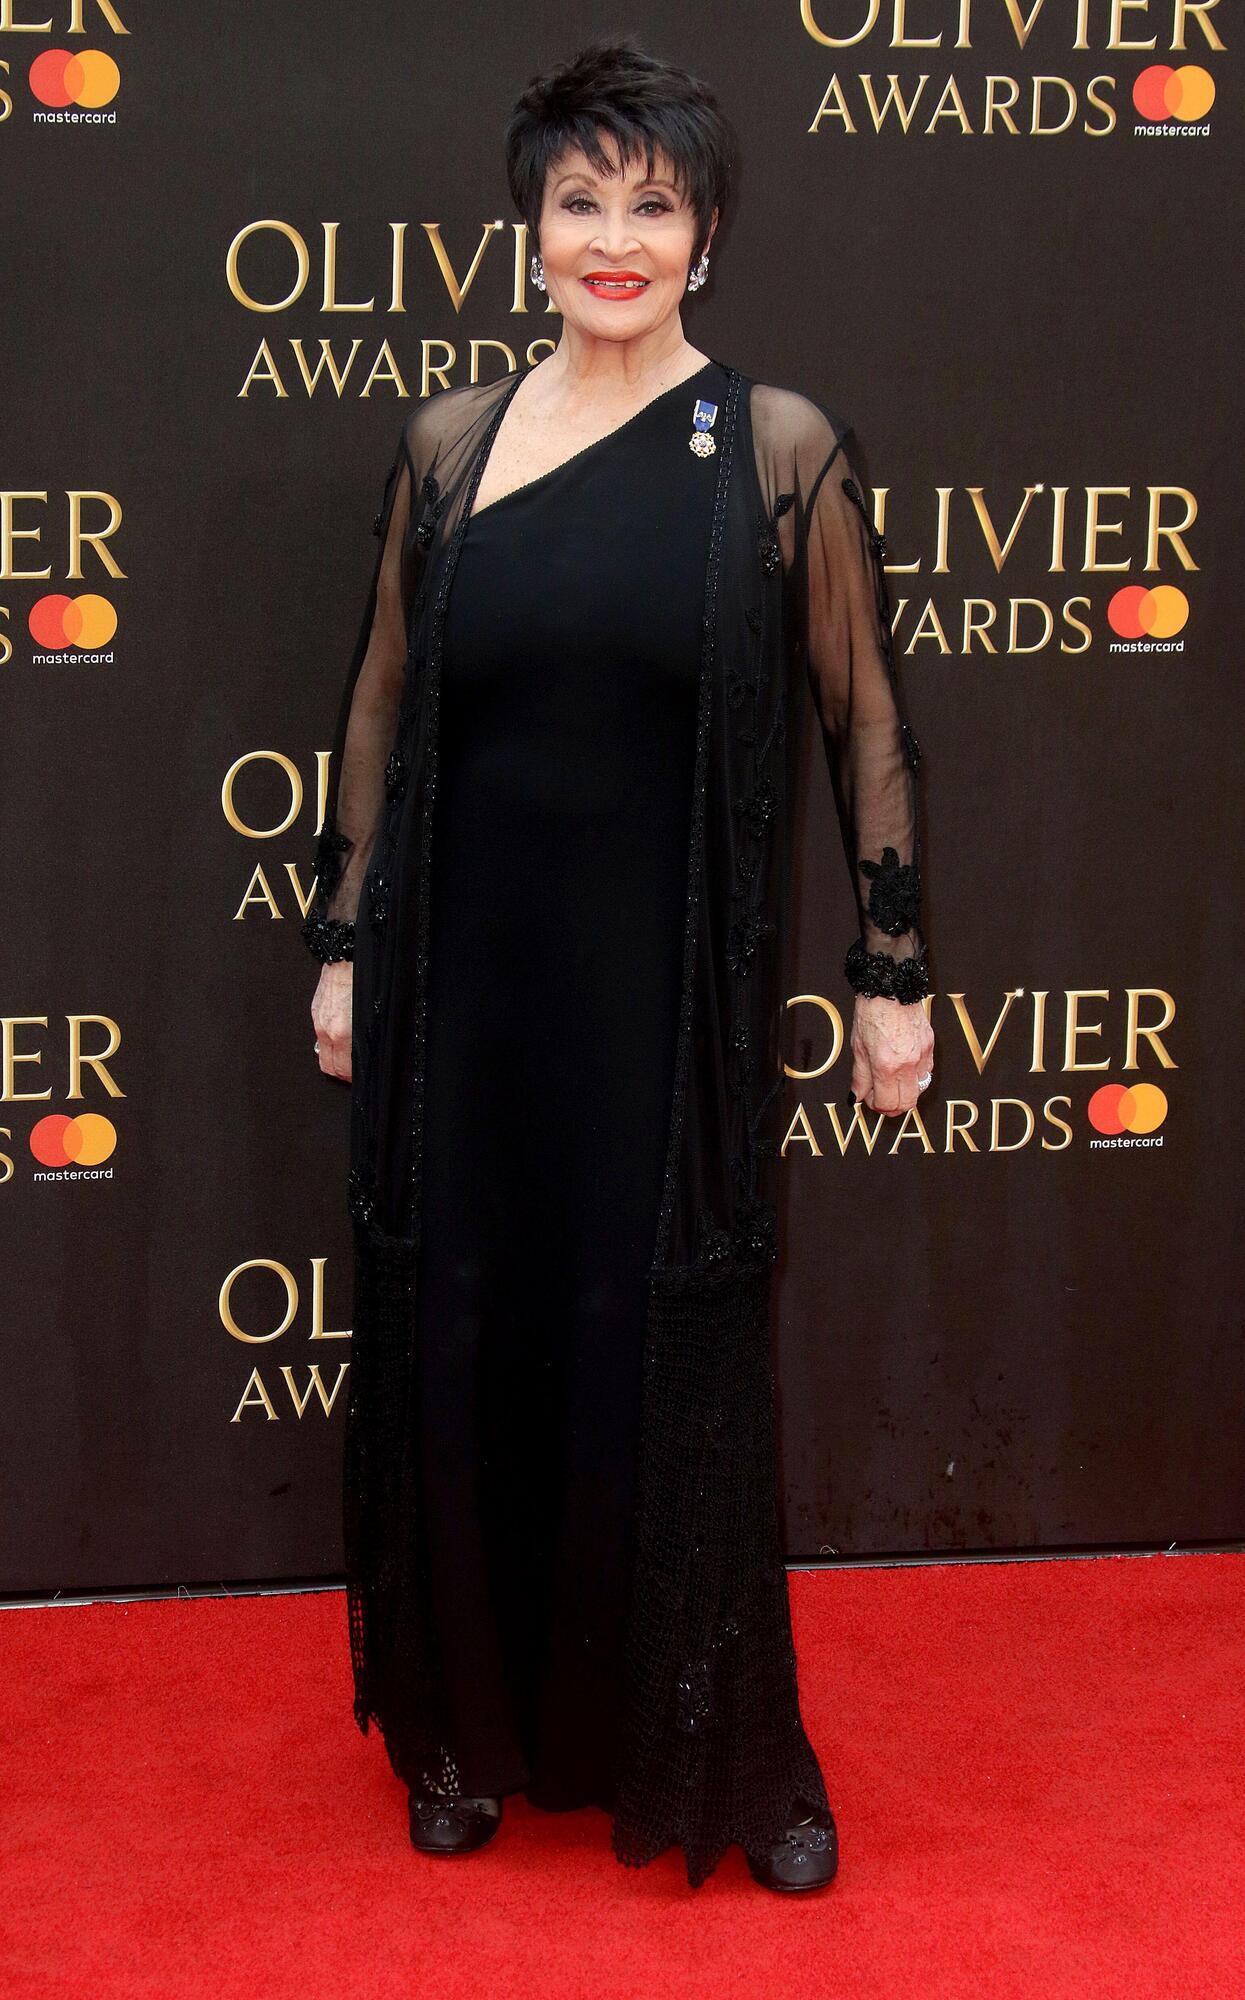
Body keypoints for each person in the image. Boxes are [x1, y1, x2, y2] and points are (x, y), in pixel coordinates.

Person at [302, 38, 935, 1894]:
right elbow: (376, 703)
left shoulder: (779, 447)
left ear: (704, 233)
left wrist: (891, 965)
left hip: (668, 1013)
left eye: (650, 206)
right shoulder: (450, 443)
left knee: (664, 1347)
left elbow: (866, 721)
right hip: (466, 998)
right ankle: (464, 1732)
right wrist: (345, 946)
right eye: (579, 201)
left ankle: (726, 1750)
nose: (612, 238)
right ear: (529, 230)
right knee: (465, 1335)